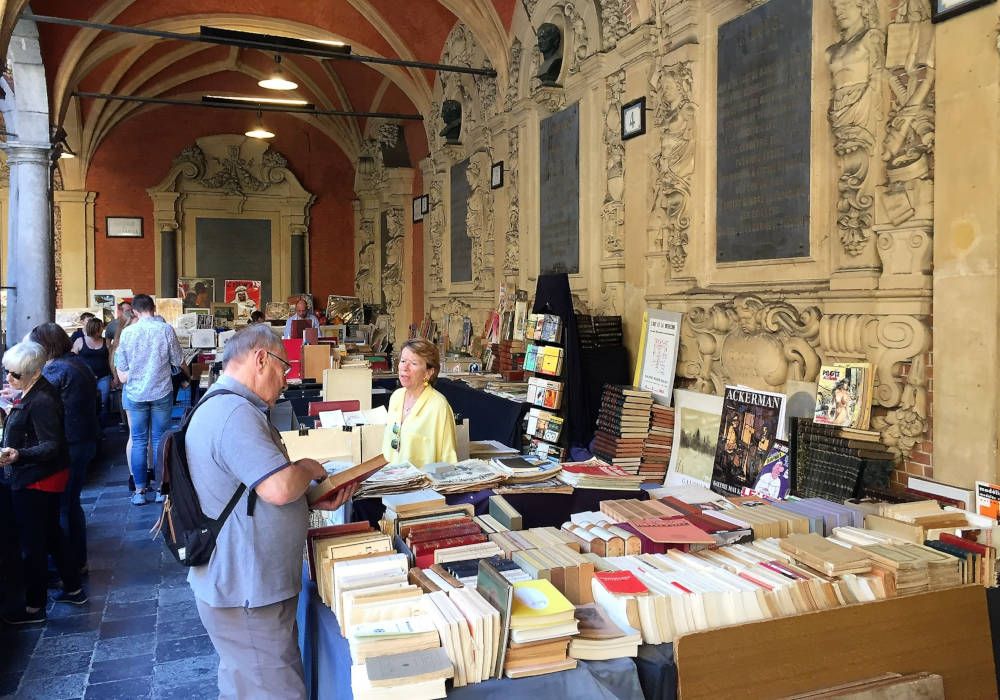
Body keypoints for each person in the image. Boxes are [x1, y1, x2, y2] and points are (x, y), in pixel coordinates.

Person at [185, 324, 356, 698]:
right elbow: (278, 488)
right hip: (247, 588)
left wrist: (310, 498)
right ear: (261, 359)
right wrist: (309, 468)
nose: (286, 380)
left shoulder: (230, 406)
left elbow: (250, 492)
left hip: (247, 585)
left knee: (247, 684)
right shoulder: (234, 414)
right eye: (284, 368)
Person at [0, 341, 84, 624]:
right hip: (42, 474)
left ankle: (34, 607)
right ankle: (72, 587)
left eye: (15, 375)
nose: (9, 379)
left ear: (32, 373)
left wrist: (17, 455)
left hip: (38, 478)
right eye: (7, 373)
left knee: (33, 542)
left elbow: (51, 445)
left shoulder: (42, 399)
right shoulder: (33, 392)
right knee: (50, 533)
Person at [29, 322, 99, 579]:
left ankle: (67, 566)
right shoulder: (77, 362)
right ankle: (77, 561)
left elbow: (38, 399)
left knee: (63, 507)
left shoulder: (57, 368)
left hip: (71, 444)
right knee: (71, 504)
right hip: (84, 440)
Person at [114, 293, 182, 505]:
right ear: (154, 307)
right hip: (161, 390)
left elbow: (121, 366)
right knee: (160, 440)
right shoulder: (165, 329)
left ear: (134, 311)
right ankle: (162, 489)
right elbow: (178, 360)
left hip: (135, 393)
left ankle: (140, 491)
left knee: (139, 441)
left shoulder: (128, 333)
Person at [382, 338, 458, 468]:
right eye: (403, 361)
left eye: (413, 363)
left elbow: (448, 459)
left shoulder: (438, 406)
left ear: (428, 372)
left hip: (423, 484)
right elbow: (388, 449)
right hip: (391, 480)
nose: (405, 367)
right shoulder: (396, 397)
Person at [73, 317, 112, 415]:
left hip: (104, 376)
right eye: (100, 328)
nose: (102, 329)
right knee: (87, 402)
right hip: (85, 377)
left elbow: (111, 360)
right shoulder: (80, 341)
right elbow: (72, 359)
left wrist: (114, 376)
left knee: (103, 402)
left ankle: (102, 426)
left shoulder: (105, 341)